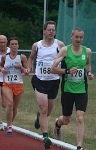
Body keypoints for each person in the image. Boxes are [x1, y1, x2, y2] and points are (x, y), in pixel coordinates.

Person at [51, 27, 94, 150]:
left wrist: (89, 73)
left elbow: (88, 64)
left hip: (82, 90)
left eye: (80, 37)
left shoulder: (87, 51)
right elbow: (53, 68)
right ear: (71, 37)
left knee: (80, 118)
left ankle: (79, 147)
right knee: (66, 119)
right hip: (68, 90)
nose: (78, 39)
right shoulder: (65, 50)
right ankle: (58, 124)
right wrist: (68, 71)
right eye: (76, 37)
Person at [27, 21, 65, 149]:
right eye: (49, 30)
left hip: (53, 81)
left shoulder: (59, 45)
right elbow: (31, 57)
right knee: (44, 109)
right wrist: (28, 68)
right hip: (40, 80)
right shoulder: (37, 45)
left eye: (53, 30)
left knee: (47, 112)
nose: (51, 32)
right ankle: (45, 137)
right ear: (44, 31)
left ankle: (39, 116)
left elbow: (66, 59)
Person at [0, 37, 28, 135]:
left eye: (16, 44)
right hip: (7, 83)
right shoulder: (4, 57)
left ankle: (9, 122)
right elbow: (0, 66)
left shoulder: (22, 57)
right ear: (9, 46)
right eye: (12, 44)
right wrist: (2, 69)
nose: (14, 46)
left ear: (18, 46)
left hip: (18, 84)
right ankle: (10, 126)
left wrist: (20, 67)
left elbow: (27, 71)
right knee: (10, 103)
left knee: (14, 108)